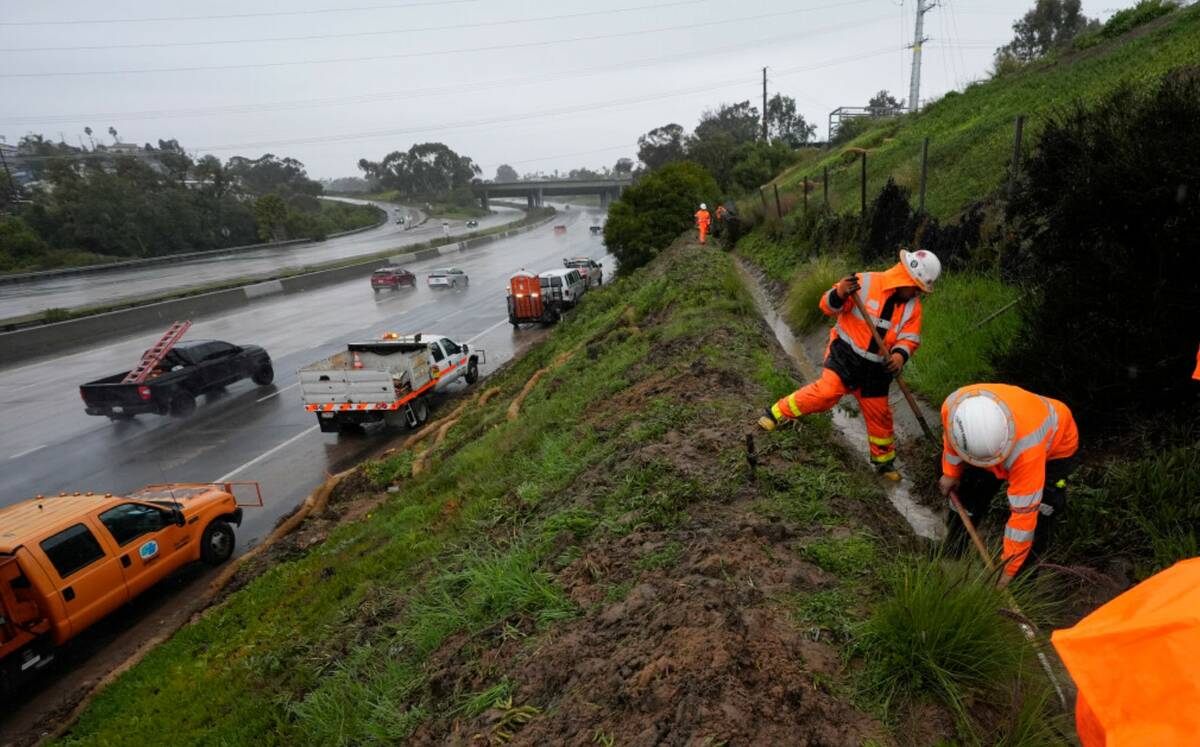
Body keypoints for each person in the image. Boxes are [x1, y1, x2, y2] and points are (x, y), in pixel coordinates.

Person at [758, 249, 941, 480]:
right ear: (904, 278)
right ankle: (776, 412)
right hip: (845, 355)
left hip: (876, 369)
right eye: (916, 287)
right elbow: (826, 306)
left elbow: (909, 338)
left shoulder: (913, 307)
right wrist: (840, 293)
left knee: (880, 416)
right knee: (826, 393)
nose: (917, 293)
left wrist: (899, 356)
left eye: (920, 290)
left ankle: (884, 463)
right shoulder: (864, 282)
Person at [937, 383, 1079, 588]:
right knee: (970, 492)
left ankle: (1020, 584)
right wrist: (951, 473)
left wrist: (1008, 569)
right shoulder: (954, 408)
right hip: (1004, 437)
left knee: (1040, 515)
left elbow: (1023, 515)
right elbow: (952, 442)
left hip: (1054, 451)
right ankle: (953, 550)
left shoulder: (1027, 451)